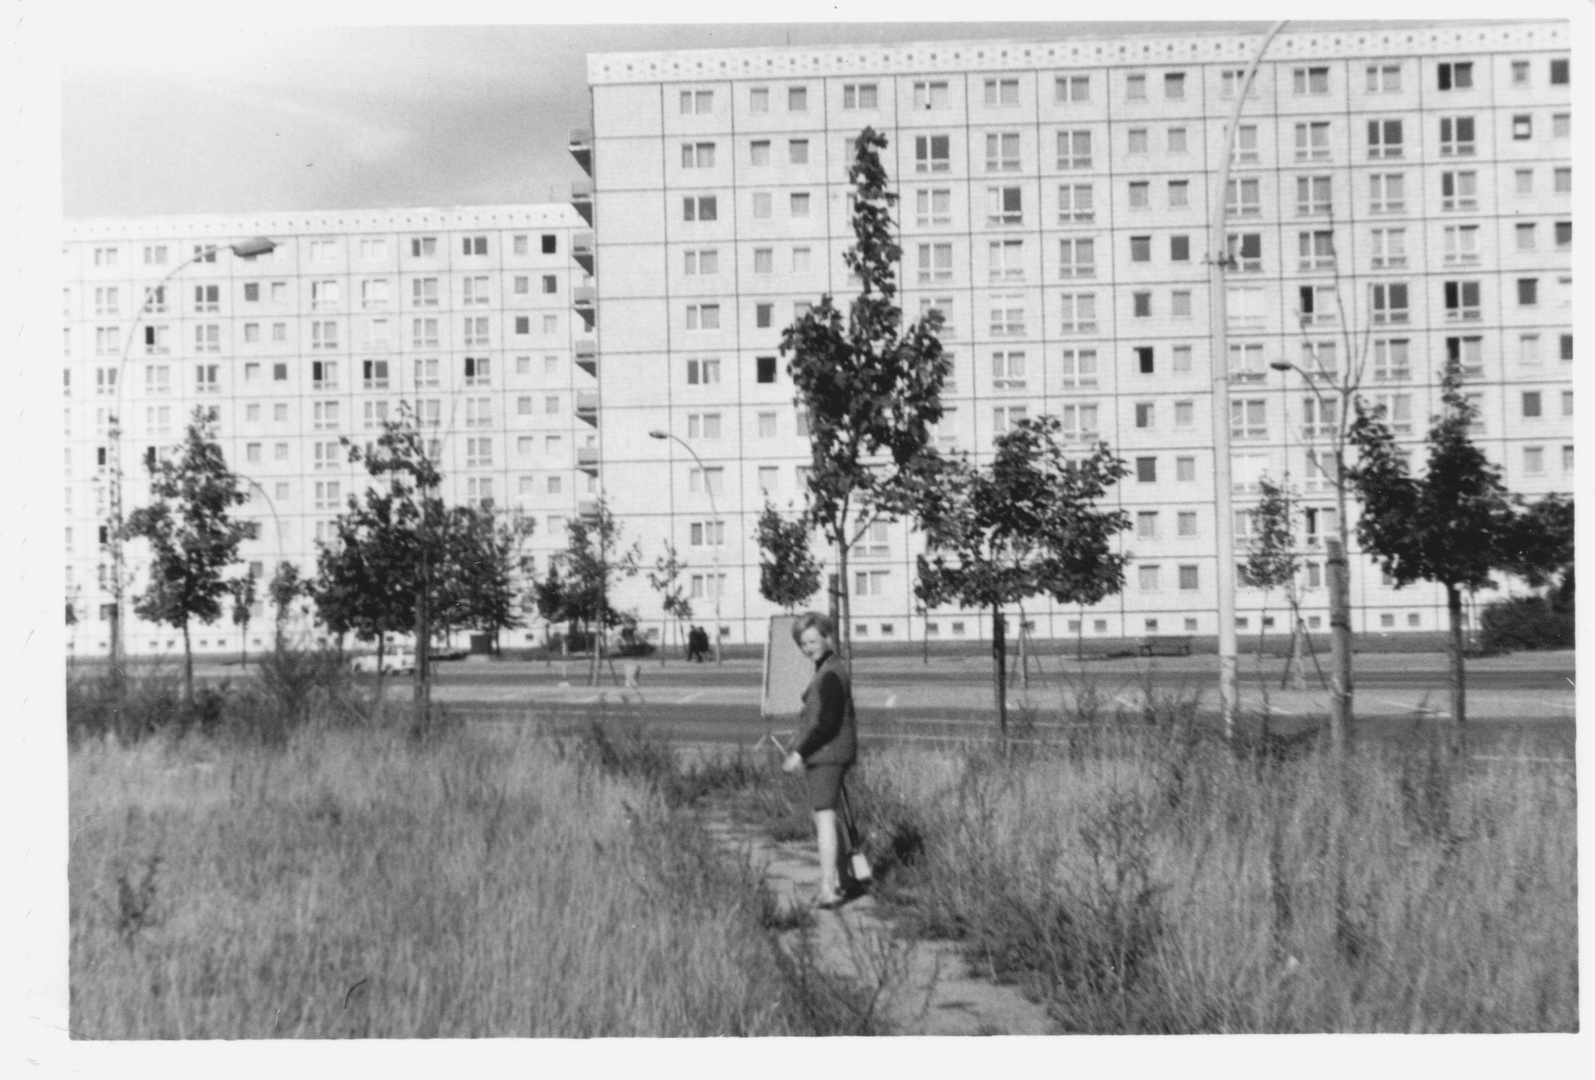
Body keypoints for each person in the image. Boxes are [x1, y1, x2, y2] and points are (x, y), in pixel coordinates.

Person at [781, 612, 858, 909]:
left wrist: (798, 754)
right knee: (825, 816)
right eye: (803, 643)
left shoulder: (830, 674)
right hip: (831, 752)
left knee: (824, 817)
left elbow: (827, 723)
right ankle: (841, 880)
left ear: (828, 637)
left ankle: (829, 888)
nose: (808, 647)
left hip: (828, 752)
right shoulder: (828, 668)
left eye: (813, 640)